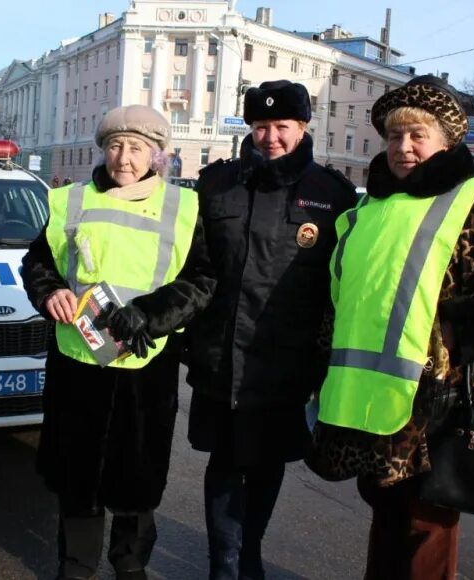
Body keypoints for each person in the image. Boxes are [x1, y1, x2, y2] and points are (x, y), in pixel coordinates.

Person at [315, 75, 474, 579]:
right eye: (393, 137)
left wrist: (449, 340)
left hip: (437, 400)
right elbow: (345, 297)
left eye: (417, 136)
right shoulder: (368, 207)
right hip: (366, 397)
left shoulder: (472, 198)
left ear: (446, 141)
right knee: (386, 513)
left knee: (427, 525)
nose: (403, 148)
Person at [21, 104, 216, 580]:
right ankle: (76, 565)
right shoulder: (68, 201)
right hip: (77, 363)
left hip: (145, 369)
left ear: (156, 154)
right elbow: (37, 263)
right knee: (77, 476)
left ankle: (130, 566)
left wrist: (148, 315)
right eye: (114, 146)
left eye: (135, 148)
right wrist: (50, 292)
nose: (123, 158)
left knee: (137, 478)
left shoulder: (184, 207)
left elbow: (202, 279)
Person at [184, 80, 358, 579]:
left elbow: (340, 286)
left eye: (282, 126)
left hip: (287, 362)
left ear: (303, 128)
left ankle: (251, 552)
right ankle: (224, 563)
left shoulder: (333, 195)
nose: (270, 137)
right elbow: (193, 266)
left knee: (265, 467)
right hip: (222, 357)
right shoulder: (216, 184)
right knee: (223, 464)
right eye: (261, 126)